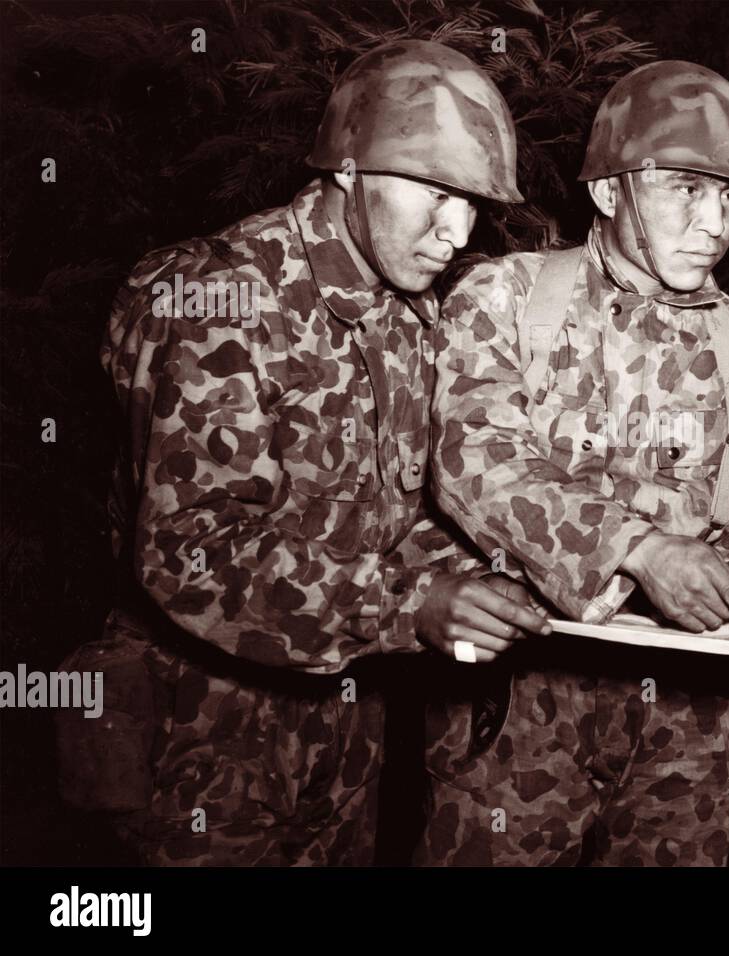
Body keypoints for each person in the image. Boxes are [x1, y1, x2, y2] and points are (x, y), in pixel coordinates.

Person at [74, 39, 547, 865]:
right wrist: (412, 607)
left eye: (473, 204)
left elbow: (404, 510)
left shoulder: (408, 312)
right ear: (350, 168)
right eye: (435, 192)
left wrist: (505, 578)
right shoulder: (221, 299)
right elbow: (190, 550)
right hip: (203, 730)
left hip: (347, 719)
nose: (455, 232)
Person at [422, 60, 729, 866]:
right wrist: (638, 551)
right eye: (686, 190)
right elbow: (474, 460)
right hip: (521, 709)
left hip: (693, 726)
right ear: (609, 192)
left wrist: (723, 588)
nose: (715, 223)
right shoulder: (504, 299)